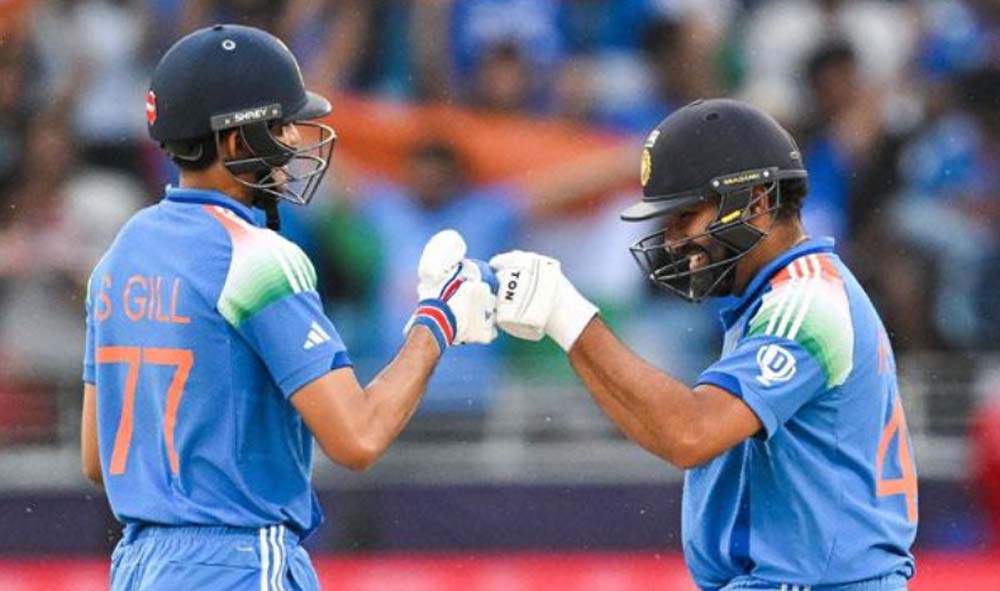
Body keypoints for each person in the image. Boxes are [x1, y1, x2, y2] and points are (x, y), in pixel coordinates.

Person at [79, 24, 497, 591]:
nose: (296, 141)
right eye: (279, 127)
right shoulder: (257, 256)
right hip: (240, 562)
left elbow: (98, 458)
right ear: (233, 143)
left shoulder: (121, 252)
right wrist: (438, 319)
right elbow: (358, 437)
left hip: (139, 566)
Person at [489, 98, 918, 590]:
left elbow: (689, 435)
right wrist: (556, 320)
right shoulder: (776, 296)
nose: (672, 241)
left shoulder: (807, 302)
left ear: (756, 203)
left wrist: (566, 314)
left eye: (686, 216)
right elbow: (671, 433)